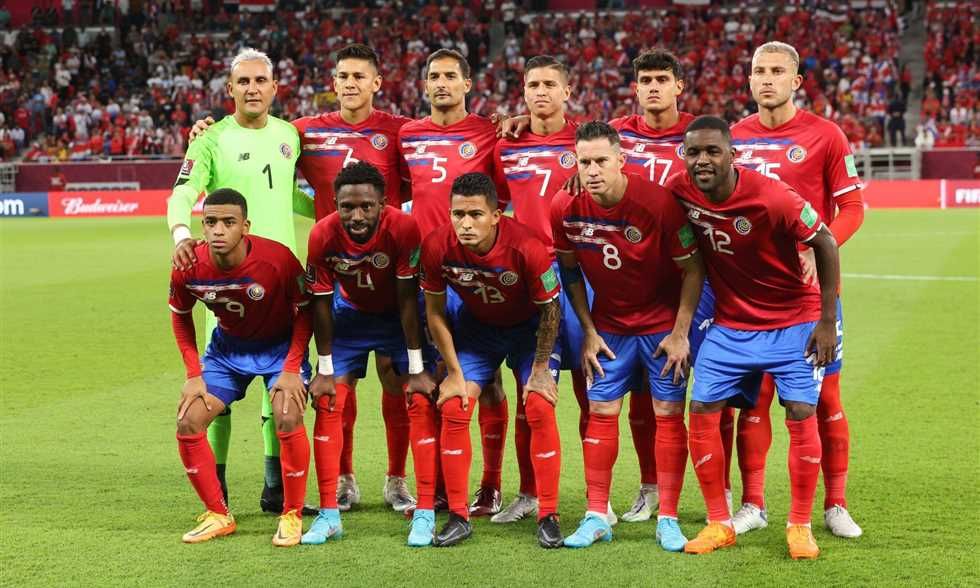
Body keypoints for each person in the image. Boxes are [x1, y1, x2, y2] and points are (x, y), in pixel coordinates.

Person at [668, 115, 841, 560]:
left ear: (733, 155)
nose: (702, 160)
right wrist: (578, 183)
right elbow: (639, 197)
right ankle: (719, 523)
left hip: (793, 319)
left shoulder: (773, 196)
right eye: (693, 152)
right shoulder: (680, 189)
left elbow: (826, 242)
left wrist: (826, 320)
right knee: (702, 409)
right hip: (732, 324)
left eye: (712, 151)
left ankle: (800, 526)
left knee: (802, 411)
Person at [166, 47, 315, 516]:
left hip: (281, 282)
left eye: (260, 80)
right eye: (243, 81)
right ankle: (220, 487)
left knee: (280, 391)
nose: (252, 88)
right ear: (230, 89)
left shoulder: (289, 135)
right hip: (227, 281)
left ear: (275, 88)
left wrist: (334, 216)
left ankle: (275, 488)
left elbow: (291, 194)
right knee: (219, 397)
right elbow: (183, 191)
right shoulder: (211, 139)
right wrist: (182, 234)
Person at [729, 41, 864, 539]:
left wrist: (817, 245)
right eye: (758, 71)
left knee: (824, 398)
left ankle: (835, 504)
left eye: (777, 71)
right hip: (750, 295)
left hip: (811, 296)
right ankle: (753, 504)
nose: (767, 79)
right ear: (749, 80)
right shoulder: (734, 137)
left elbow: (853, 209)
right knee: (755, 399)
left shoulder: (826, 135)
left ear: (796, 81)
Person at [551, 122, 704, 551]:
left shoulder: (657, 203)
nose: (592, 170)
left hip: (660, 328)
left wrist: (680, 332)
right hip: (609, 328)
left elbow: (694, 269)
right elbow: (569, 272)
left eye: (601, 160)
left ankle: (668, 518)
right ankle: (597, 515)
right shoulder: (564, 206)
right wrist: (588, 329)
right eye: (584, 162)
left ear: (621, 160)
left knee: (668, 414)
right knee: (600, 411)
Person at [420, 172, 564, 548]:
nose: (466, 224)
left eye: (476, 214)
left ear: (496, 215)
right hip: (478, 332)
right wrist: (454, 371)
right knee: (454, 404)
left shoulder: (527, 247)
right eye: (458, 214)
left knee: (538, 404)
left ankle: (548, 515)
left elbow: (551, 310)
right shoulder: (436, 245)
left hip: (529, 333)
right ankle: (459, 517)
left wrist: (540, 369)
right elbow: (434, 312)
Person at [609, 49, 723, 523]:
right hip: (639, 281)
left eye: (662, 79)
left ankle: (723, 493)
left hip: (701, 277)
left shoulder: (702, 135)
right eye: (645, 80)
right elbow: (572, 145)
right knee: (643, 389)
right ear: (635, 87)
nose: (653, 87)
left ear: (679, 86)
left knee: (715, 387)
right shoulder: (616, 133)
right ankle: (650, 486)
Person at [400, 49, 511, 517]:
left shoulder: (491, 133)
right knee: (427, 380)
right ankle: (441, 488)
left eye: (450, 75)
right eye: (434, 76)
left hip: (475, 274)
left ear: (468, 83)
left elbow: (504, 197)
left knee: (486, 380)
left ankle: (491, 485)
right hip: (424, 273)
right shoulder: (406, 134)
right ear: (424, 85)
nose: (441, 83)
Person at [302, 161, 436, 544]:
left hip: (397, 318)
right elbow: (320, 305)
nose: (357, 216)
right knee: (329, 400)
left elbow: (408, 300)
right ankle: (331, 508)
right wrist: (324, 368)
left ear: (383, 203)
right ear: (335, 204)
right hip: (349, 317)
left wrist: (417, 367)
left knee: (417, 398)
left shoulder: (404, 228)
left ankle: (415, 501)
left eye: (366, 206)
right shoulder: (322, 234)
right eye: (347, 207)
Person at [170, 189, 312, 547]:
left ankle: (291, 514)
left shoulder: (277, 259)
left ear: (245, 226)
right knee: (188, 420)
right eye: (210, 222)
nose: (218, 230)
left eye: (228, 222)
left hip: (279, 349)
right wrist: (193, 374)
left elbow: (307, 311)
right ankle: (218, 514)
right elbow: (180, 316)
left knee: (287, 414)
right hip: (227, 353)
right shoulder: (189, 265)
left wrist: (292, 367)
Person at [489, 55, 592, 525]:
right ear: (524, 91)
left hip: (581, 276)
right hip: (529, 281)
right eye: (534, 85)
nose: (541, 92)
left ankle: (597, 498)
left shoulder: (587, 140)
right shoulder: (505, 145)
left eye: (551, 84)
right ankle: (529, 493)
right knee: (529, 391)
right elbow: (496, 207)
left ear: (567, 91)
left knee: (592, 390)